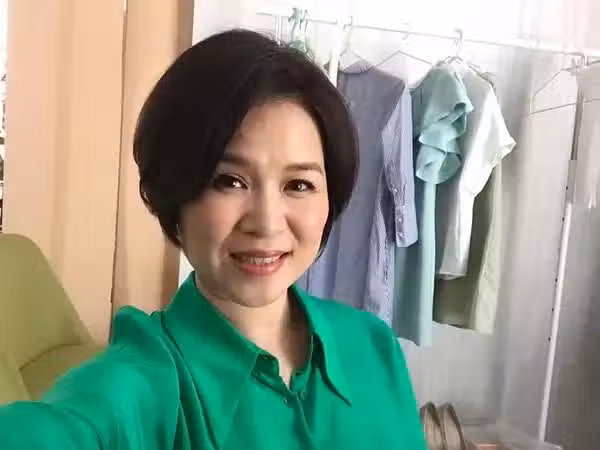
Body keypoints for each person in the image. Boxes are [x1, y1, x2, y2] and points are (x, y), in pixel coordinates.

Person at [0, 29, 426, 449]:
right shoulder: (145, 387)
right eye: (230, 181)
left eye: (298, 185)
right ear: (176, 194)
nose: (267, 223)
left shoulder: (374, 345)